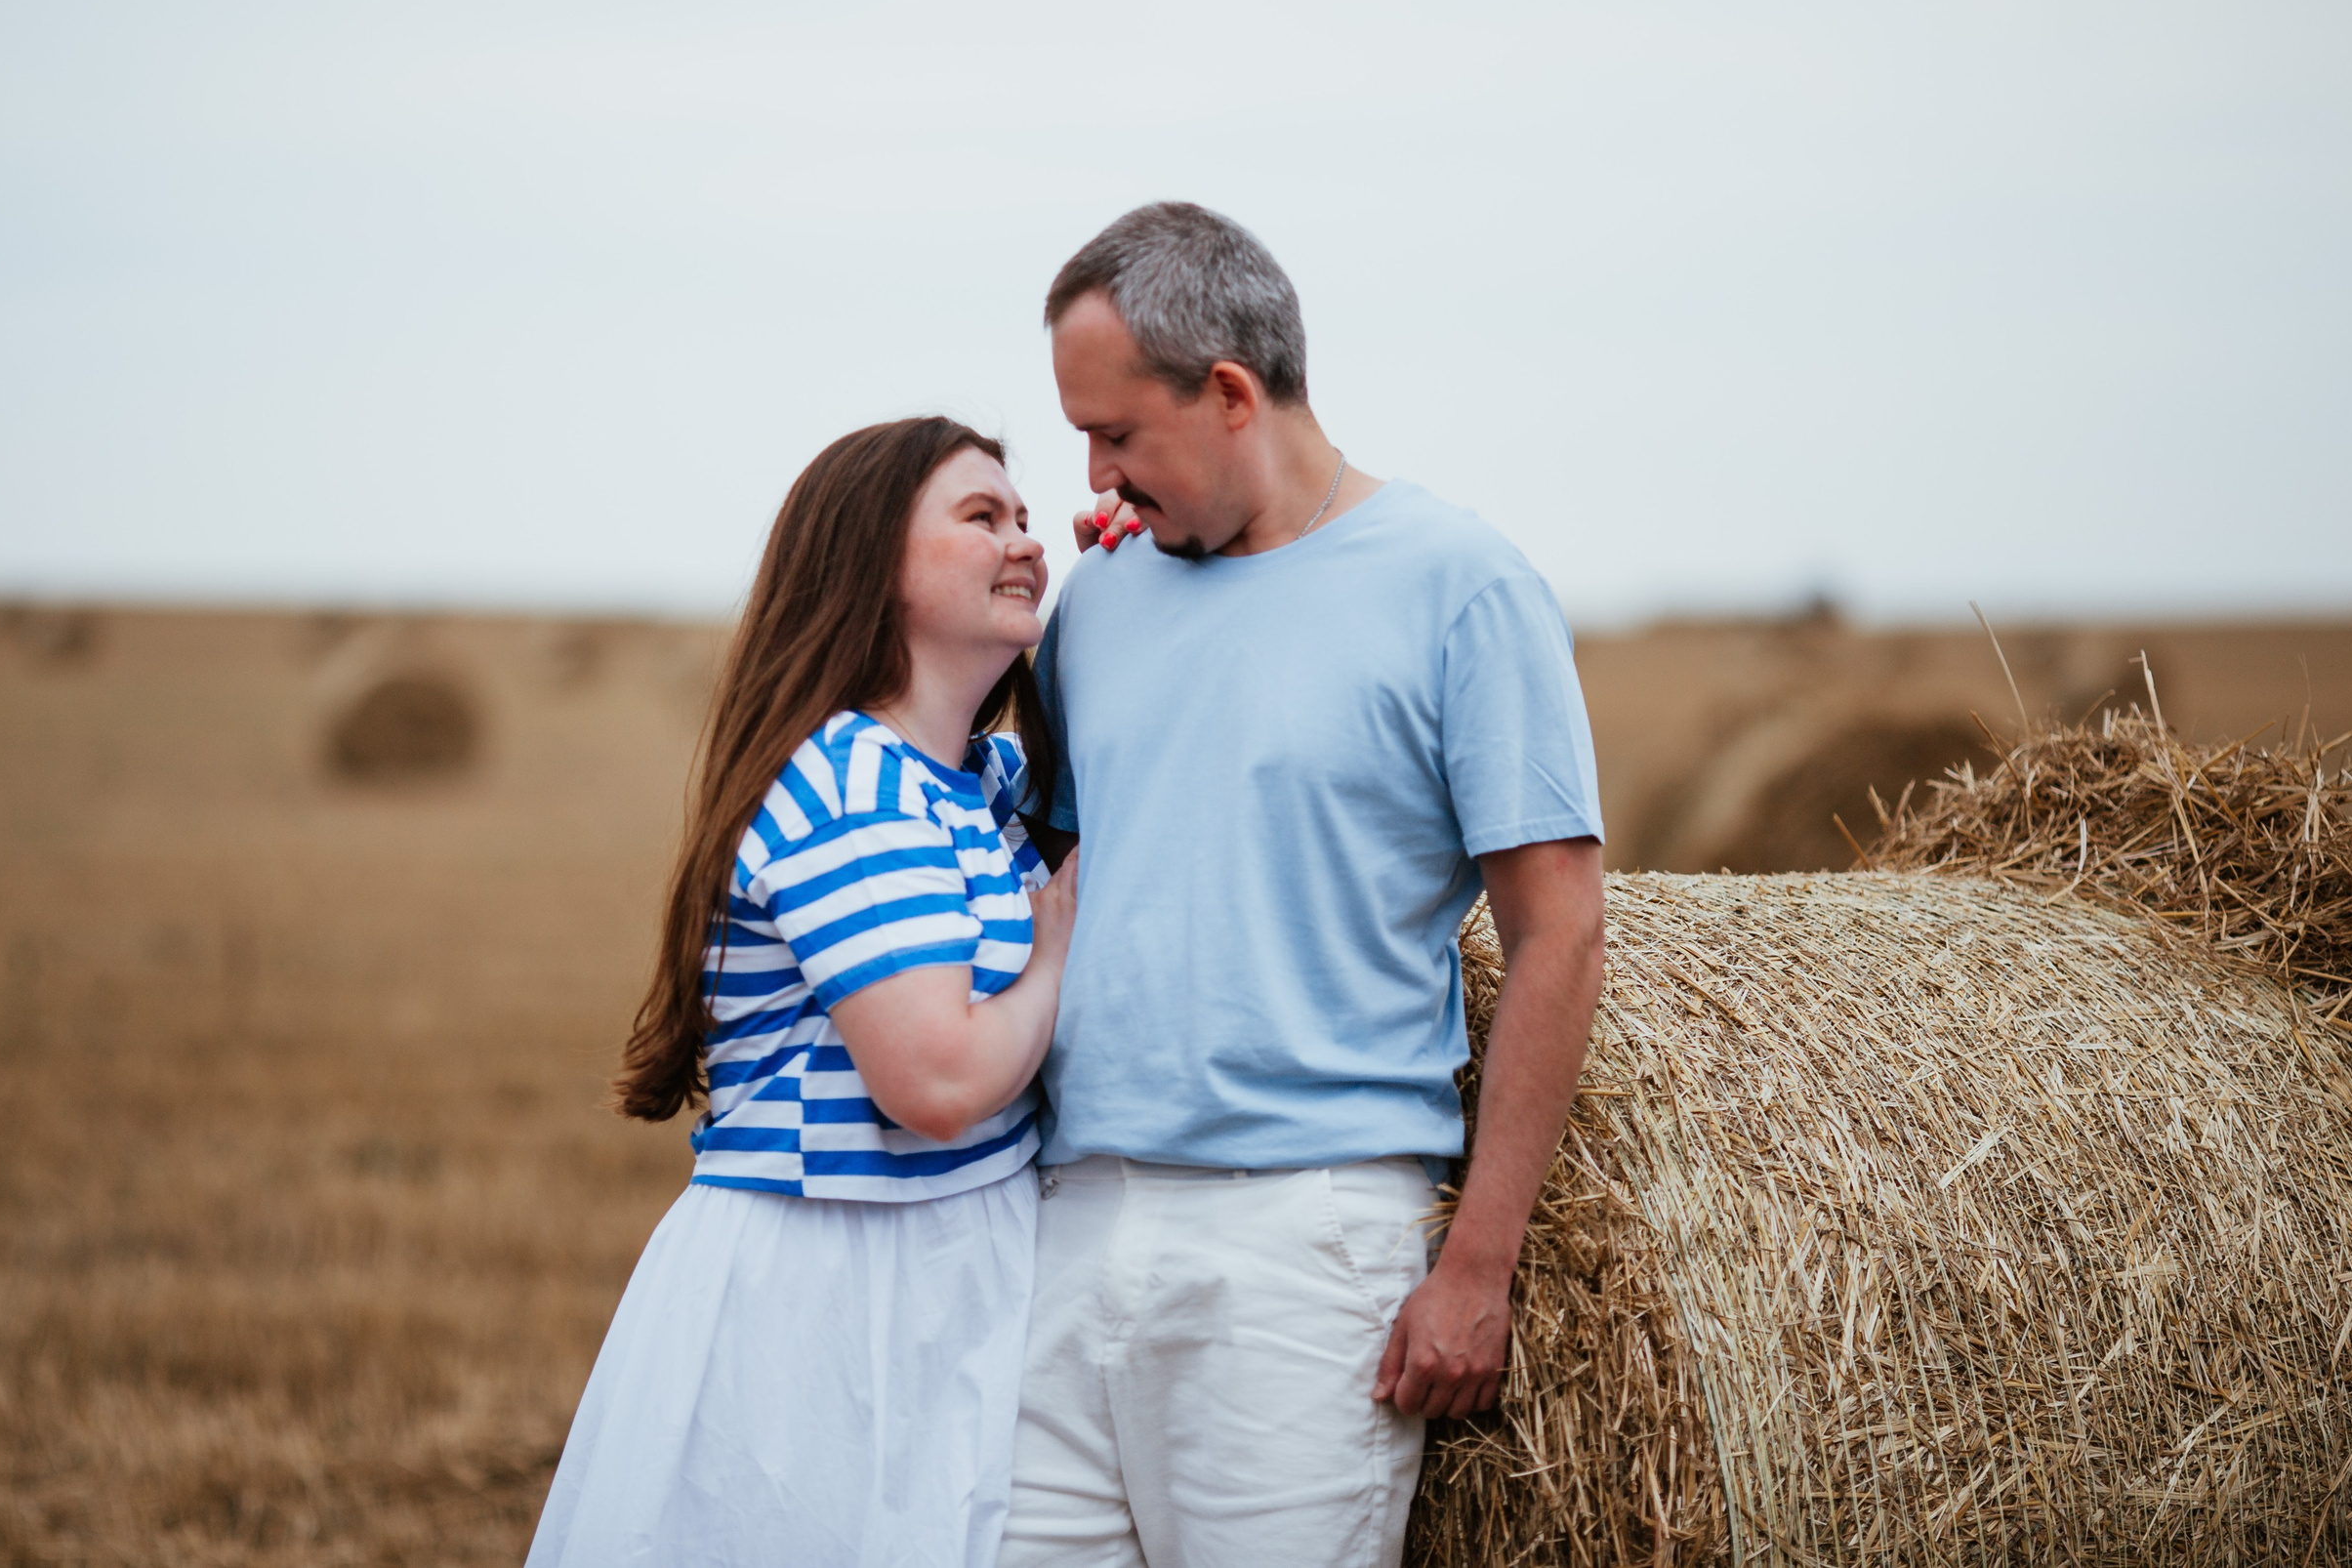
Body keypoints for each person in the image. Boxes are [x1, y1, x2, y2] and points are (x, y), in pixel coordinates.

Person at [1000, 204, 1607, 1568]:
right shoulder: (1096, 604)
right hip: (1070, 1225)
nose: (1090, 473)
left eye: (1115, 433)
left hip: (1302, 1241)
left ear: (1227, 394)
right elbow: (1049, 873)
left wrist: (1479, 1265)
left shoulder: (1463, 587)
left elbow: (1558, 931)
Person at [526, 417, 1080, 1568]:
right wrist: (1057, 953)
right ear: (870, 564)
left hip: (951, 1266)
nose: (1026, 541)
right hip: (829, 1299)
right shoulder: (848, 785)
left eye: (1024, 517)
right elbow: (934, 1083)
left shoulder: (980, 783)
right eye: (981, 518)